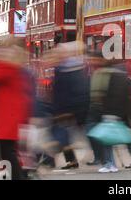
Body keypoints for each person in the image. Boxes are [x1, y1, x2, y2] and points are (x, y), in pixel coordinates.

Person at [0, 39, 33, 180]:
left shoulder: (7, 68)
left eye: (2, 50)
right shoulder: (13, 68)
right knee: (7, 151)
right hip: (7, 117)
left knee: (7, 151)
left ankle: (17, 177)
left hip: (6, 118)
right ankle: (13, 176)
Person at [51, 42, 90, 170]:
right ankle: (73, 160)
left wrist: (63, 110)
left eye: (59, 53)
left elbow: (65, 91)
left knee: (64, 134)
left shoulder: (65, 69)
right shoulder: (74, 67)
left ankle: (75, 159)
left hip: (68, 108)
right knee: (68, 134)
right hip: (71, 107)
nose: (56, 55)